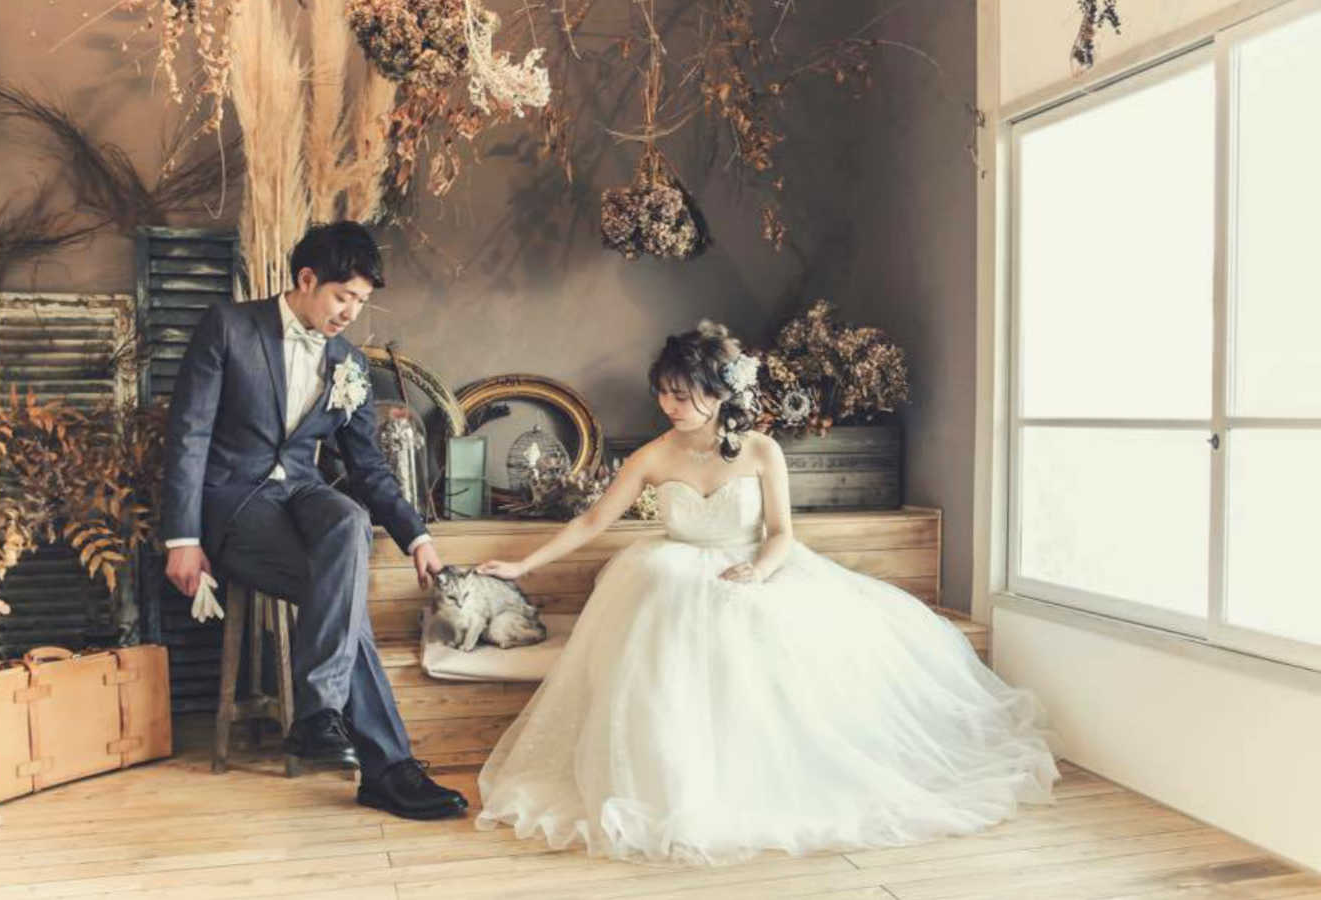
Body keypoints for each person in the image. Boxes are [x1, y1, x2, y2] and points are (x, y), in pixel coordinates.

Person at [472, 320, 1060, 865]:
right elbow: (591, 522)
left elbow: (781, 534)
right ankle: (675, 783)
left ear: (718, 391)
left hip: (755, 566)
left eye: (683, 394)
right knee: (663, 610)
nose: (670, 405)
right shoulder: (652, 455)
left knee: (762, 633)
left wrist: (758, 571)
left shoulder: (760, 450)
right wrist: (524, 563)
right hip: (671, 575)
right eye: (664, 393)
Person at [161, 221, 466, 820]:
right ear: (306, 279)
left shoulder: (348, 362)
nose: (350, 313)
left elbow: (368, 466)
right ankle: (388, 770)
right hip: (235, 505)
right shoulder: (229, 327)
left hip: (301, 495)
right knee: (344, 602)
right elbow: (188, 434)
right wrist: (183, 538)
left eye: (360, 302)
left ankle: (319, 715)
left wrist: (417, 536)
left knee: (349, 518)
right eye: (342, 296)